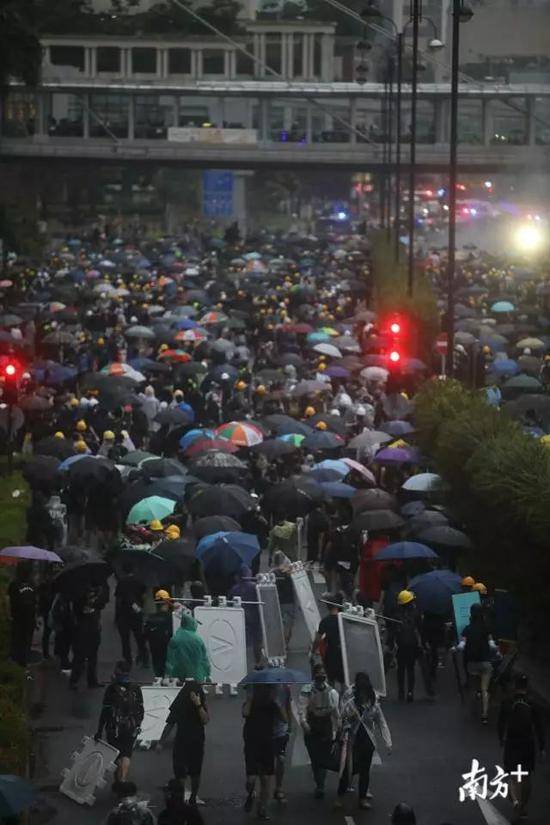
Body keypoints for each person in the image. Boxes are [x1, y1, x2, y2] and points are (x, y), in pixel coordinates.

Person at [335, 671, 392, 810]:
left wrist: (388, 742)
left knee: (365, 770)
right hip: (352, 740)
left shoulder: (374, 703)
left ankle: (362, 798)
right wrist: (350, 716)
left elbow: (381, 722)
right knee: (349, 769)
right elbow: (341, 717)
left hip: (367, 741)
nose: (363, 695)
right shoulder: (350, 700)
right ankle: (340, 796)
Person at [498, 673, 545, 820]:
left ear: (515, 686)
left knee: (514, 776)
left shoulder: (507, 702)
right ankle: (523, 805)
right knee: (526, 776)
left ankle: (516, 801)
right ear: (527, 686)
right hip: (528, 743)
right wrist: (542, 747)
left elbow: (501, 723)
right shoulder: (532, 703)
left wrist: (501, 739)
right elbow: (539, 727)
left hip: (512, 742)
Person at [156, 680, 209, 805]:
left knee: (192, 772)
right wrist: (161, 741)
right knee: (183, 772)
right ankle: (186, 797)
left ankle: (191, 797)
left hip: (191, 741)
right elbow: (170, 723)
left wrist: (198, 705)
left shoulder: (188, 703)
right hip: (186, 741)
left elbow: (205, 719)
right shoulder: (181, 705)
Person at [243, 684, 287, 820]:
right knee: (251, 779)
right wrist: (250, 700)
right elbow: (245, 713)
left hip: (267, 743)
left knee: (266, 778)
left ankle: (262, 808)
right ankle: (251, 793)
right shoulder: (250, 702)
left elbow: (284, 718)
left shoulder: (272, 703)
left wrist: (277, 703)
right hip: (251, 743)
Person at [96, 661, 144, 784]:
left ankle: (118, 781)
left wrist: (99, 730)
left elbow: (105, 711)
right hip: (131, 726)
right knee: (126, 754)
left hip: (114, 727)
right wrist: (137, 724)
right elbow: (141, 708)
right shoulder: (136, 687)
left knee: (116, 755)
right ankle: (123, 779)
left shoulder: (111, 689)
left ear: (117, 672)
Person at [299, 663, 340, 798]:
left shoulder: (332, 693)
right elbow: (302, 708)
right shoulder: (307, 690)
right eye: (318, 674)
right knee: (315, 757)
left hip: (326, 728)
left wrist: (338, 728)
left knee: (324, 757)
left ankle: (321, 784)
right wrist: (304, 724)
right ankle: (319, 781)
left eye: (323, 674)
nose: (321, 677)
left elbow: (335, 713)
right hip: (312, 727)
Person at [457, 602, 498, 723]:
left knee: (474, 688)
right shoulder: (486, 628)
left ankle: (473, 710)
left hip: (472, 664)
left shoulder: (468, 629)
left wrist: (456, 648)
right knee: (485, 689)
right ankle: (484, 714)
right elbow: (492, 645)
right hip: (485, 663)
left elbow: (462, 645)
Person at [70, 583, 109, 690]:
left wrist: (96, 599)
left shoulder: (96, 601)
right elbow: (79, 612)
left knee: (93, 657)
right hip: (82, 631)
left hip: (93, 630)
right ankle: (74, 680)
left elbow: (102, 604)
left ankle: (92, 681)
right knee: (80, 657)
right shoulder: (79, 601)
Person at [115, 562, 149, 668]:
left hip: (124, 614)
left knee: (125, 639)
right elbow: (144, 596)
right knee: (139, 637)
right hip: (137, 613)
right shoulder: (139, 581)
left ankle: (128, 659)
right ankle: (145, 658)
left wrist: (117, 615)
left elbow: (118, 600)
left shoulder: (121, 582)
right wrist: (141, 607)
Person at [391, 590, 422, 703]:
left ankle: (401, 691)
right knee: (410, 669)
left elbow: (392, 632)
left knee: (401, 669)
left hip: (400, 646)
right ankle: (410, 692)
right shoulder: (415, 614)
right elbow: (419, 629)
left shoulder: (395, 616)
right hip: (412, 645)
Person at [228, 566, 262, 666]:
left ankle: (240, 663)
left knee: (240, 640)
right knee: (257, 640)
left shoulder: (234, 589)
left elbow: (230, 603)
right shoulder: (255, 586)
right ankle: (258, 662)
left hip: (240, 617)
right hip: (255, 616)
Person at [165, 612, 211, 684]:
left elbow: (170, 660)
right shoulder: (198, 640)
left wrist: (168, 675)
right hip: (197, 676)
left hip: (178, 676)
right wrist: (208, 674)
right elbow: (204, 659)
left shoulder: (175, 639)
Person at [8, 562, 36, 667]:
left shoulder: (14, 584)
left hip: (17, 617)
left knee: (17, 638)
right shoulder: (32, 583)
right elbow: (34, 600)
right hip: (30, 617)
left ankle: (16, 659)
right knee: (27, 638)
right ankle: (24, 659)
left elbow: (9, 599)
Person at [313, 594, 344, 687]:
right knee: (344, 680)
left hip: (331, 653)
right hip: (343, 653)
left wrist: (313, 650)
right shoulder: (344, 620)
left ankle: (333, 697)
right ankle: (342, 698)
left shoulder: (325, 621)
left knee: (331, 679)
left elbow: (318, 639)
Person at [143, 589, 173, 684]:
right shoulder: (171, 618)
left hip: (154, 646)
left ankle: (158, 679)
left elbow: (145, 634)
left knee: (157, 664)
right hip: (167, 645)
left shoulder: (151, 618)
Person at [272, 682, 292, 803]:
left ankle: (278, 787)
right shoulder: (265, 690)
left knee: (281, 759)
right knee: (265, 761)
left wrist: (290, 725)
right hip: (267, 731)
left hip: (281, 730)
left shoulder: (285, 688)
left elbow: (288, 706)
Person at [272, 551, 296, 647]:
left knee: (279, 623)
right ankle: (286, 642)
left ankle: (280, 643)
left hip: (278, 601)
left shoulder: (272, 573)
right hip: (290, 601)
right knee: (289, 624)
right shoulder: (289, 572)